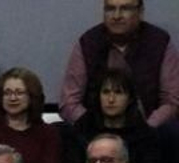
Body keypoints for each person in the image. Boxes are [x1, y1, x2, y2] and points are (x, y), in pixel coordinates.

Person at [58, 0, 179, 128]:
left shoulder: (159, 42)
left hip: (149, 132)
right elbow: (69, 102)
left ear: (140, 11)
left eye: (125, 9)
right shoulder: (88, 43)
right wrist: (93, 129)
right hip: (95, 135)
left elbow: (172, 101)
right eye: (110, 9)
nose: (116, 16)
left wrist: (146, 129)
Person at [63, 69, 165, 163]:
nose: (111, 99)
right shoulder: (81, 131)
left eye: (118, 92)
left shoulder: (145, 136)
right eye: (106, 92)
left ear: (130, 99)